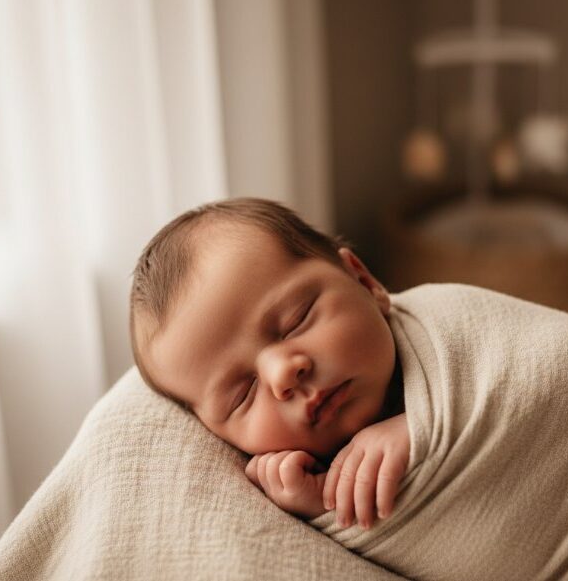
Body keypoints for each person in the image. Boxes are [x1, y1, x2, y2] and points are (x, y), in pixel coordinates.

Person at [129, 197, 408, 531]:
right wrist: (323, 507)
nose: (282, 374)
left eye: (296, 321)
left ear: (363, 281)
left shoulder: (450, 338)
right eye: (243, 394)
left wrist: (420, 426)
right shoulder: (295, 490)